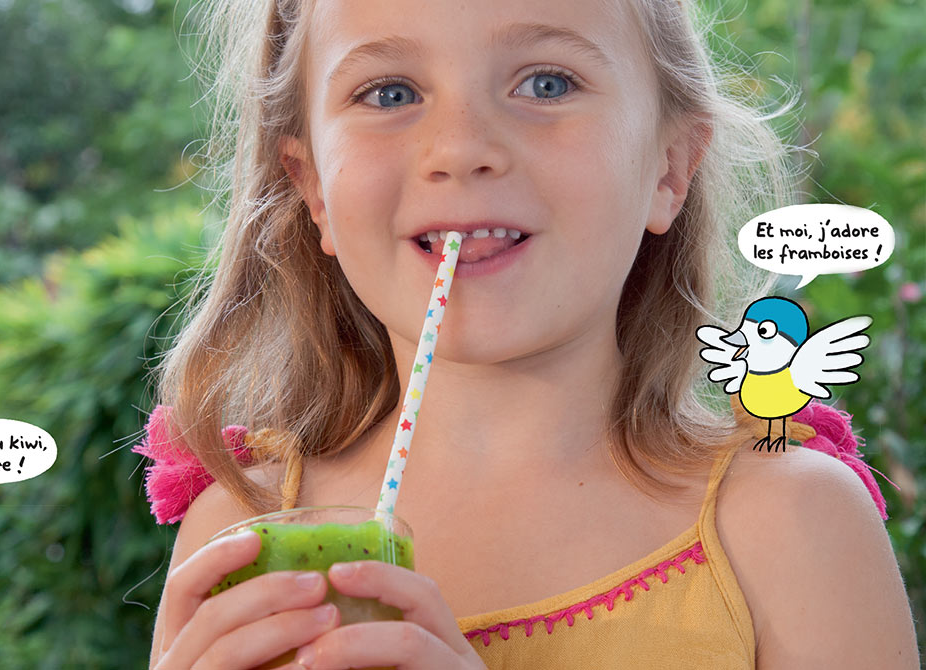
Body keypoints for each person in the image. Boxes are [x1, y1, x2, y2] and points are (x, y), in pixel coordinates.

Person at [137, 0, 919, 667]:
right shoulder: (240, 527)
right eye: (389, 92)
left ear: (669, 168)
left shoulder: (789, 525)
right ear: (311, 187)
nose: (462, 150)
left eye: (546, 83)